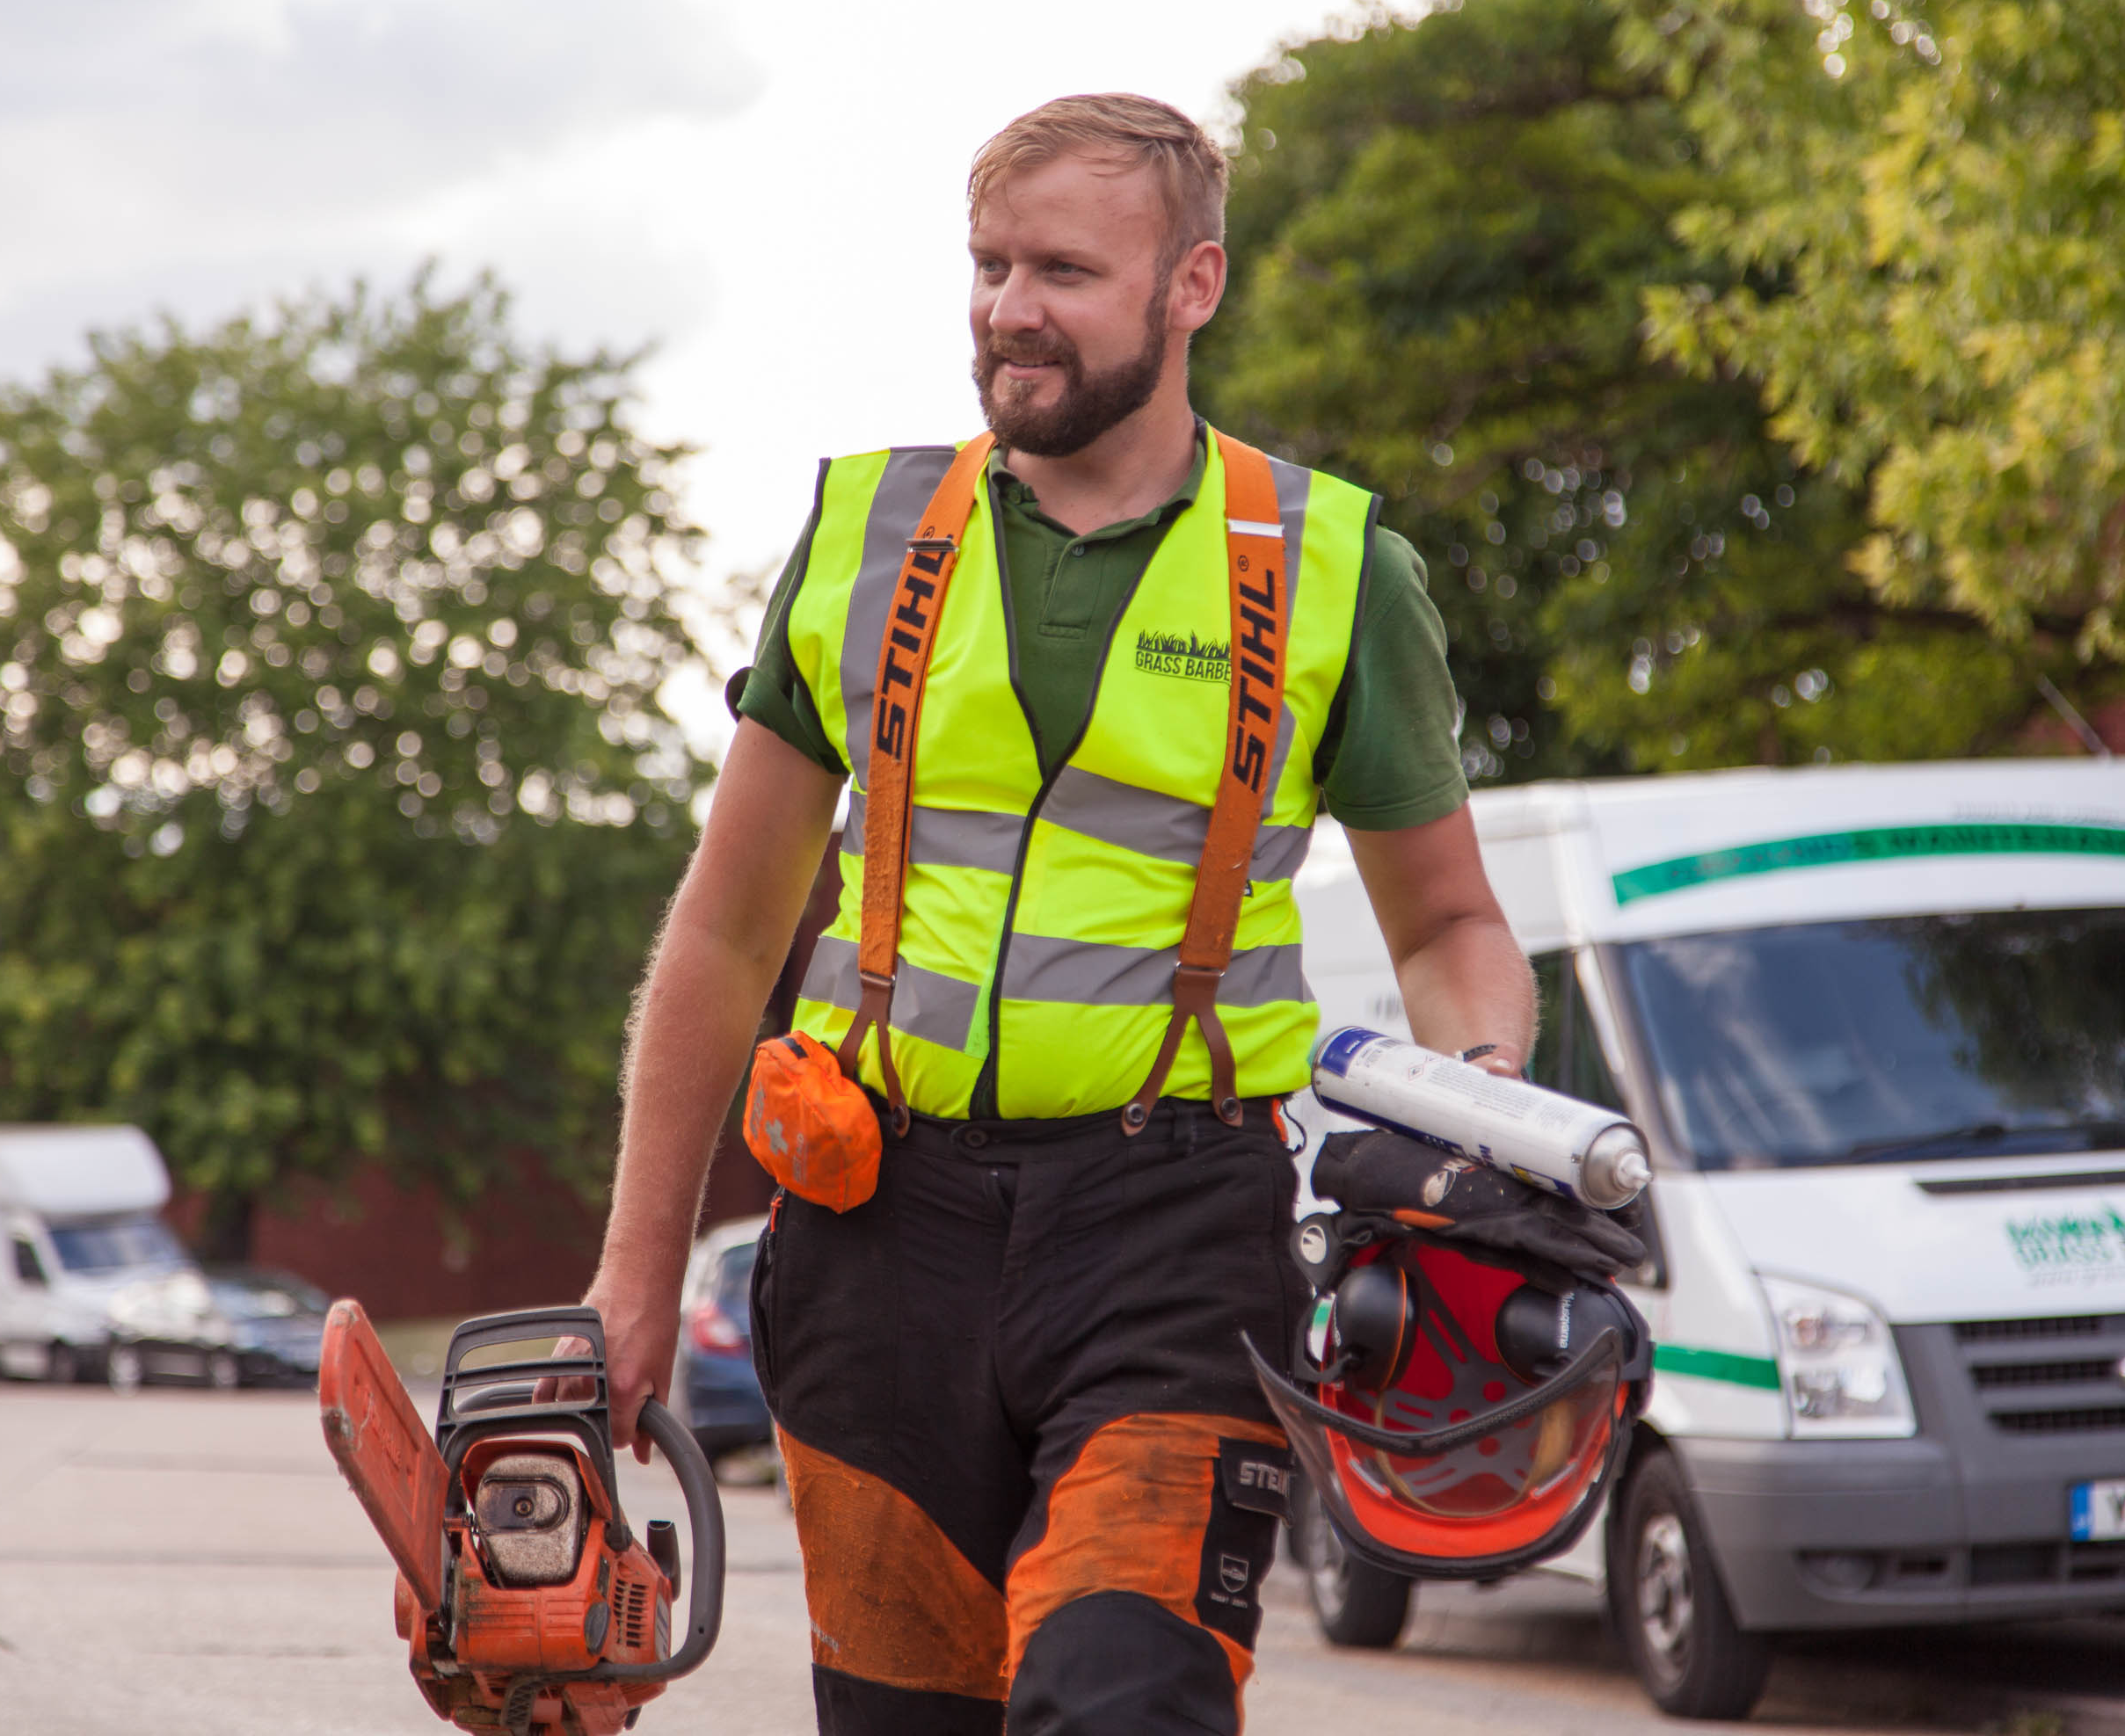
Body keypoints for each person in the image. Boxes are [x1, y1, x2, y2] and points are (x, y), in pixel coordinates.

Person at [575, 93, 1535, 1735]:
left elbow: (1450, 929)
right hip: (877, 1234)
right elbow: (727, 935)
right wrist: (633, 1281)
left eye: (1066, 271)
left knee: (1121, 1707)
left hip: (1177, 1230)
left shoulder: (1332, 566)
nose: (1011, 309)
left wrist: (1489, 1107)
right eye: (991, 265)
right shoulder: (867, 531)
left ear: (1193, 287)